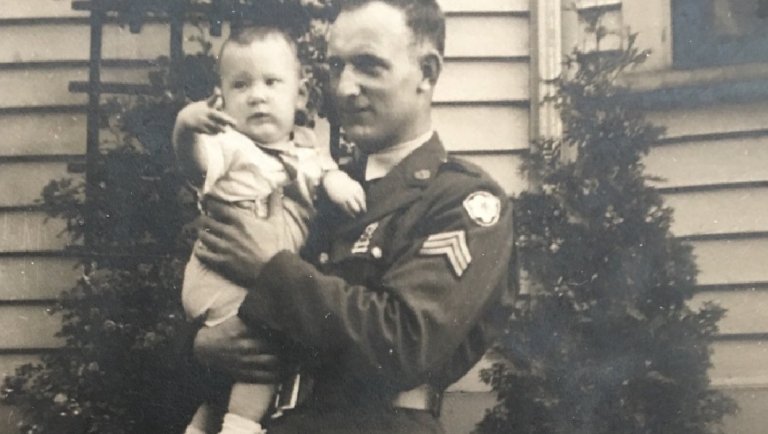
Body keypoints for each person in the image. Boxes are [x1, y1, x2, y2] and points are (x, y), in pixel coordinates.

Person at [192, 0, 517, 432]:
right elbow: (217, 295)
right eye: (335, 66)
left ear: (428, 72)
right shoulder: (310, 186)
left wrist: (271, 269)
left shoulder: (462, 201)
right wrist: (201, 347)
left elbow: (403, 344)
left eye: (368, 66)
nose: (344, 87)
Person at [173, 22, 366, 434]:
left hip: (257, 275)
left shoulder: (306, 148)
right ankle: (240, 427)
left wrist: (337, 182)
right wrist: (186, 125)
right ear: (222, 101)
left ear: (299, 95)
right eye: (241, 86)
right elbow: (193, 163)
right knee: (265, 346)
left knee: (239, 360)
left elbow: (324, 171)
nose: (257, 95)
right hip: (221, 276)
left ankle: (202, 425)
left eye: (271, 82)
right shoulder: (230, 145)